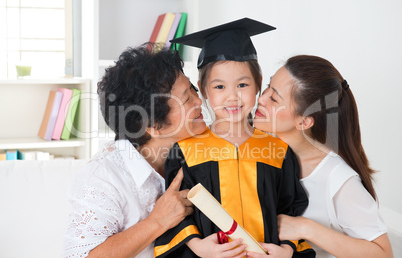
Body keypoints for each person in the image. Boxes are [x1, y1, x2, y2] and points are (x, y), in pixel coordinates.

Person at [155, 18, 315, 258]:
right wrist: (198, 246)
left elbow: (291, 210)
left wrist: (288, 249)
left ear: (259, 85)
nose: (232, 97)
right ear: (204, 89)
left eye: (242, 84)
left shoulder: (278, 150)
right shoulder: (185, 152)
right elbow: (177, 212)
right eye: (219, 87)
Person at [63, 44, 207, 258]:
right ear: (153, 126)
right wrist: (156, 222)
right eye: (187, 99)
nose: (199, 101)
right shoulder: (102, 179)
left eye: (193, 90)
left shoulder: (193, 149)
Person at [249, 55, 394, 258]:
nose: (261, 99)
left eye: (274, 98)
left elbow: (384, 254)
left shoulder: (338, 179)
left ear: (304, 122)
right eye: (268, 87)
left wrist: (305, 228)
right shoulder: (263, 153)